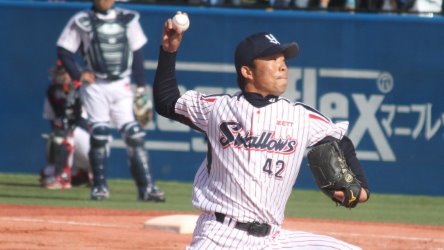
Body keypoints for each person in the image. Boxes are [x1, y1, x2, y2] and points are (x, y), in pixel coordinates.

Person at [153, 12, 370, 249]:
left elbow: (341, 140)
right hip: (219, 236)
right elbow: (166, 101)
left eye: (283, 59)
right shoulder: (219, 109)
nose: (282, 65)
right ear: (247, 72)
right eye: (272, 59)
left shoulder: (301, 116)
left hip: (273, 239)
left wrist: (362, 189)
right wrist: (169, 50)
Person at [56, 0, 165, 201]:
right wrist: (77, 74)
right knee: (100, 134)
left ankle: (147, 188)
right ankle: (99, 187)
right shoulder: (82, 20)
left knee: (134, 135)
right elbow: (64, 49)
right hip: (96, 86)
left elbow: (137, 54)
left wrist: (141, 87)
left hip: (121, 85)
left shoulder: (128, 19)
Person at [40, 60, 92, 189]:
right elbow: (53, 121)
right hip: (73, 144)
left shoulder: (84, 89)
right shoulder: (52, 93)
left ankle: (64, 176)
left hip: (91, 143)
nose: (57, 77)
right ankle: (80, 174)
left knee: (66, 132)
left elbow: (86, 123)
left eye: (61, 74)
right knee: (47, 172)